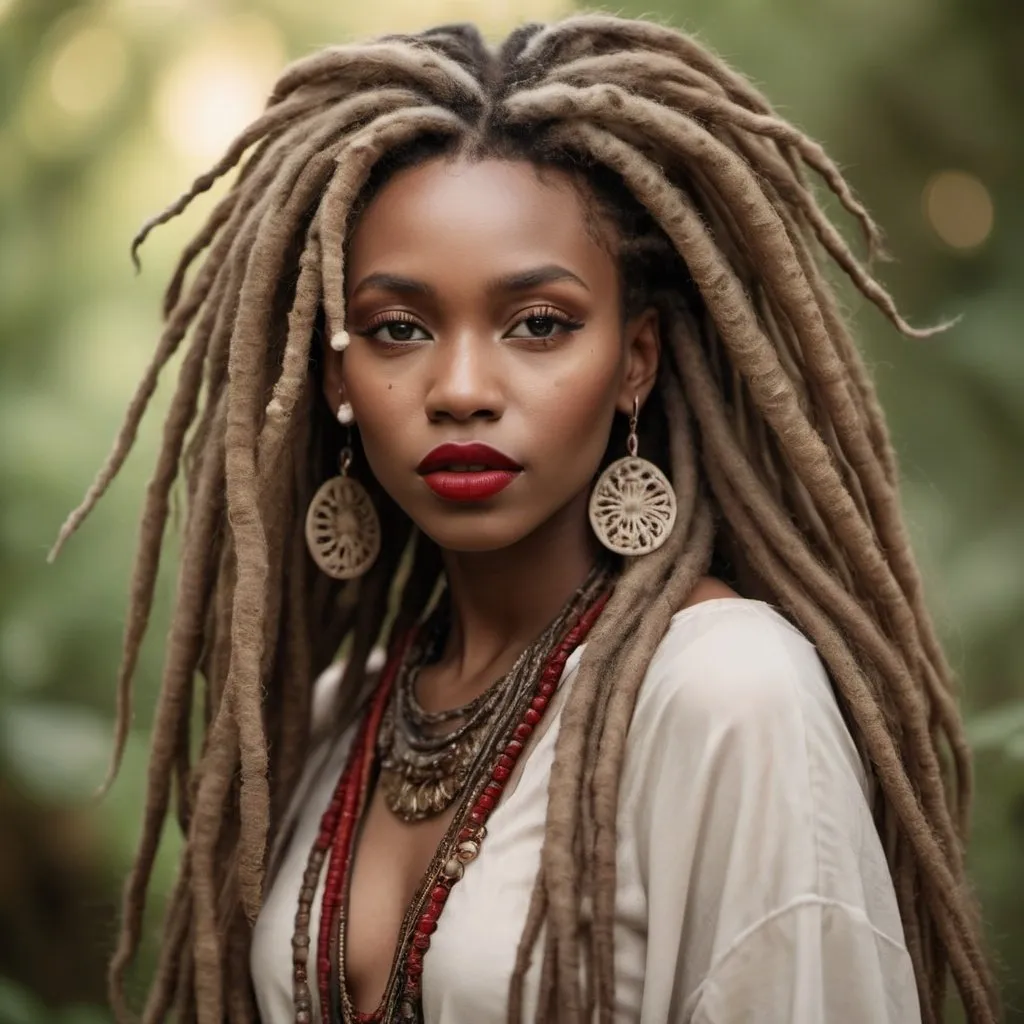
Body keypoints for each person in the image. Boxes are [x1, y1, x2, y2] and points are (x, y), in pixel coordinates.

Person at [51, 13, 1000, 1024]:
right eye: (399, 328)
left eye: (538, 324)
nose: (461, 388)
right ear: (338, 377)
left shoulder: (725, 693)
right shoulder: (336, 712)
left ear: (636, 360)